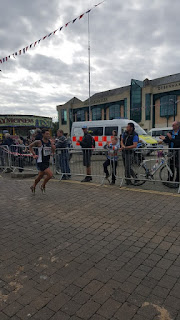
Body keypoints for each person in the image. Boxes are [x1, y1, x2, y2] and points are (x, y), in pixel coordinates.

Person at [29, 128, 55, 193]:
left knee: (40, 176)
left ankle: (33, 186)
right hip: (41, 161)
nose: (48, 135)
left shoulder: (49, 142)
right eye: (46, 134)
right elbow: (30, 146)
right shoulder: (39, 142)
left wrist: (53, 147)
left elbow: (53, 150)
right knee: (50, 175)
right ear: (43, 134)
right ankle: (43, 185)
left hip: (47, 161)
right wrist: (34, 154)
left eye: (49, 134)